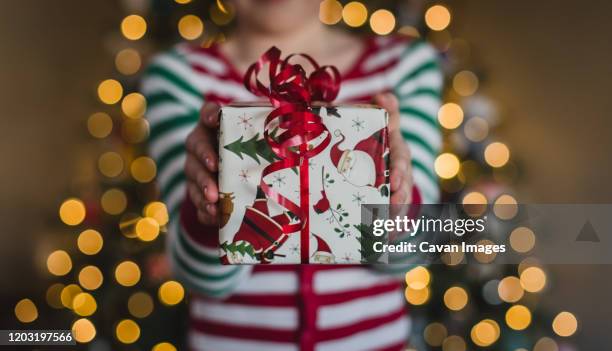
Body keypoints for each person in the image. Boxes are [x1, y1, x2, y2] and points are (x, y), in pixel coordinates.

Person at [141, 1, 442, 350]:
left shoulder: (403, 66)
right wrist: (209, 214)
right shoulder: (180, 75)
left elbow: (416, 253)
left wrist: (400, 203)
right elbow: (202, 278)